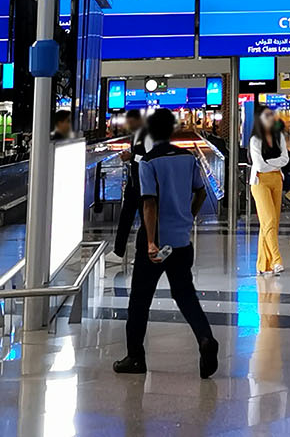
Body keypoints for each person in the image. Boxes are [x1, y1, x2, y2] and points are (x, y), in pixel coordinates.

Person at [114, 109, 219, 378]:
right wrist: (189, 216)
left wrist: (150, 242)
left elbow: (149, 203)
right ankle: (205, 338)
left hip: (157, 240)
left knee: (139, 299)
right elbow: (200, 191)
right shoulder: (188, 158)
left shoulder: (148, 162)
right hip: (181, 240)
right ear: (172, 131)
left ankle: (135, 357)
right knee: (185, 294)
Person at [248, 105, 288, 276]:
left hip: (276, 180)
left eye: (271, 115)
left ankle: (263, 265)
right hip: (260, 182)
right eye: (266, 116)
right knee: (269, 219)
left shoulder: (279, 137)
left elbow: (285, 159)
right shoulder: (254, 140)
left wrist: (271, 163)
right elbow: (259, 165)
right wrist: (275, 162)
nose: (270, 118)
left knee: (271, 223)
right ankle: (277, 260)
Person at [110, 109, 149, 263]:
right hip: (133, 183)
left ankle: (144, 251)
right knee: (126, 216)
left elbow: (150, 158)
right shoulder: (135, 136)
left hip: (144, 184)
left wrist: (132, 156)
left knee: (146, 220)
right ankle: (118, 251)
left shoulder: (147, 136)